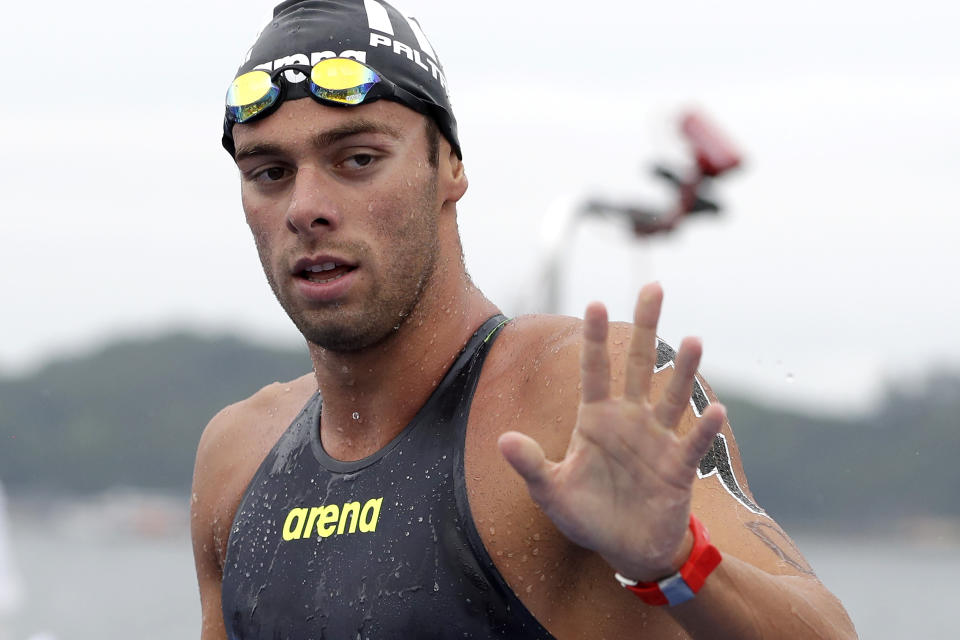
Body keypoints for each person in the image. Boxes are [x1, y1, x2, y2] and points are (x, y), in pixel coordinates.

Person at [190, 1, 857, 637]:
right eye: (270, 172)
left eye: (358, 160)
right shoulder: (238, 458)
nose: (305, 207)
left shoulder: (579, 394)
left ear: (448, 166)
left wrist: (675, 563)